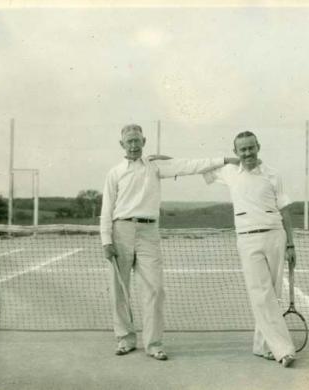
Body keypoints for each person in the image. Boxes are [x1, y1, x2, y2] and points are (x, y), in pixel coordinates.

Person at [100, 124, 237, 360]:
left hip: (149, 231)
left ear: (144, 141)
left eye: (137, 140)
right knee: (118, 289)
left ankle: (153, 344)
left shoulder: (155, 166)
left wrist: (225, 159)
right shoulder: (114, 172)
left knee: (155, 289)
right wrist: (106, 240)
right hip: (120, 230)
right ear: (122, 144)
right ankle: (124, 339)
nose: (133, 145)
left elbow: (189, 165)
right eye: (129, 141)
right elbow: (106, 209)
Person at [202, 131, 296, 368]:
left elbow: (285, 211)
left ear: (258, 147)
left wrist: (291, 244)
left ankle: (262, 345)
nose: (247, 153)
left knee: (272, 294)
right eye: (242, 149)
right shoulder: (230, 172)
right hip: (247, 240)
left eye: (251, 148)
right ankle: (283, 349)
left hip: (275, 236)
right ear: (236, 152)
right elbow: (201, 167)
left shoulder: (273, 174)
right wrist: (167, 161)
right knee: (261, 295)